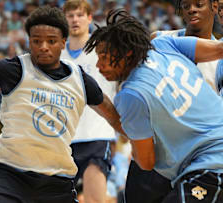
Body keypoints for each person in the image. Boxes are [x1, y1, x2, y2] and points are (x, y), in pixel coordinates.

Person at [0, 6, 124, 203]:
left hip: (56, 181)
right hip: (10, 174)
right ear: (29, 41)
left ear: (63, 42)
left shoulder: (81, 79)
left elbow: (113, 116)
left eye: (51, 41)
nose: (43, 46)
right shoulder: (13, 69)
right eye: (37, 41)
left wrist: (141, 139)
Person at [84, 8, 223, 202]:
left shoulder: (131, 95)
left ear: (127, 54)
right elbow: (219, 50)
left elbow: (147, 162)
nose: (99, 65)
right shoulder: (162, 44)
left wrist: (107, 111)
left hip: (212, 161)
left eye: (105, 58)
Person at [125, 0, 221, 202]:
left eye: (199, 4)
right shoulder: (160, 39)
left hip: (191, 157)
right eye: (186, 6)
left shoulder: (219, 60)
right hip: (152, 150)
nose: (192, 9)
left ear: (214, 7)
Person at [61, 1, 118, 203]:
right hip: (64, 139)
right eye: (70, 16)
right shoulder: (57, 56)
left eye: (79, 15)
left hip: (97, 134)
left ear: (89, 18)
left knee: (95, 200)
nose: (75, 20)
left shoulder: (102, 50)